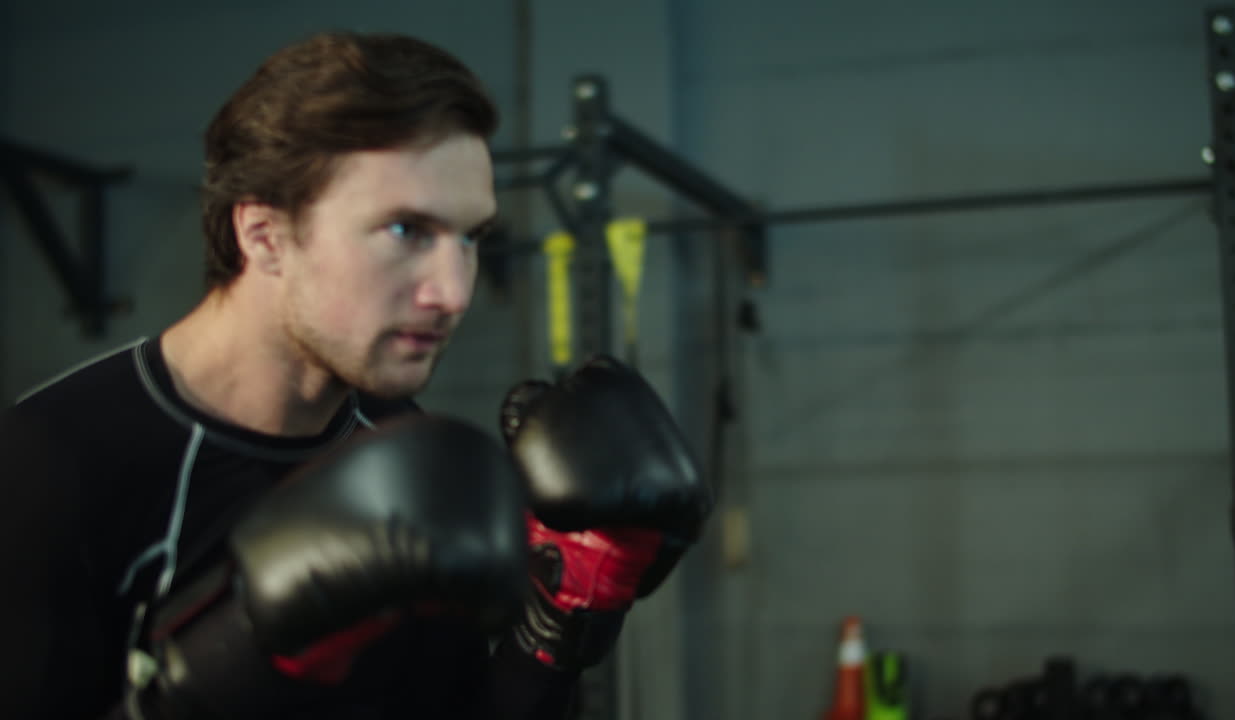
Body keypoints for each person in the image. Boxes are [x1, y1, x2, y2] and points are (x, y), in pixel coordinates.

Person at [0, 31, 711, 719]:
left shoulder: (403, 449)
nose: (454, 291)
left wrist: (555, 629)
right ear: (264, 235)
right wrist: (201, 693)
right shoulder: (48, 468)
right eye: (406, 231)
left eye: (470, 237)